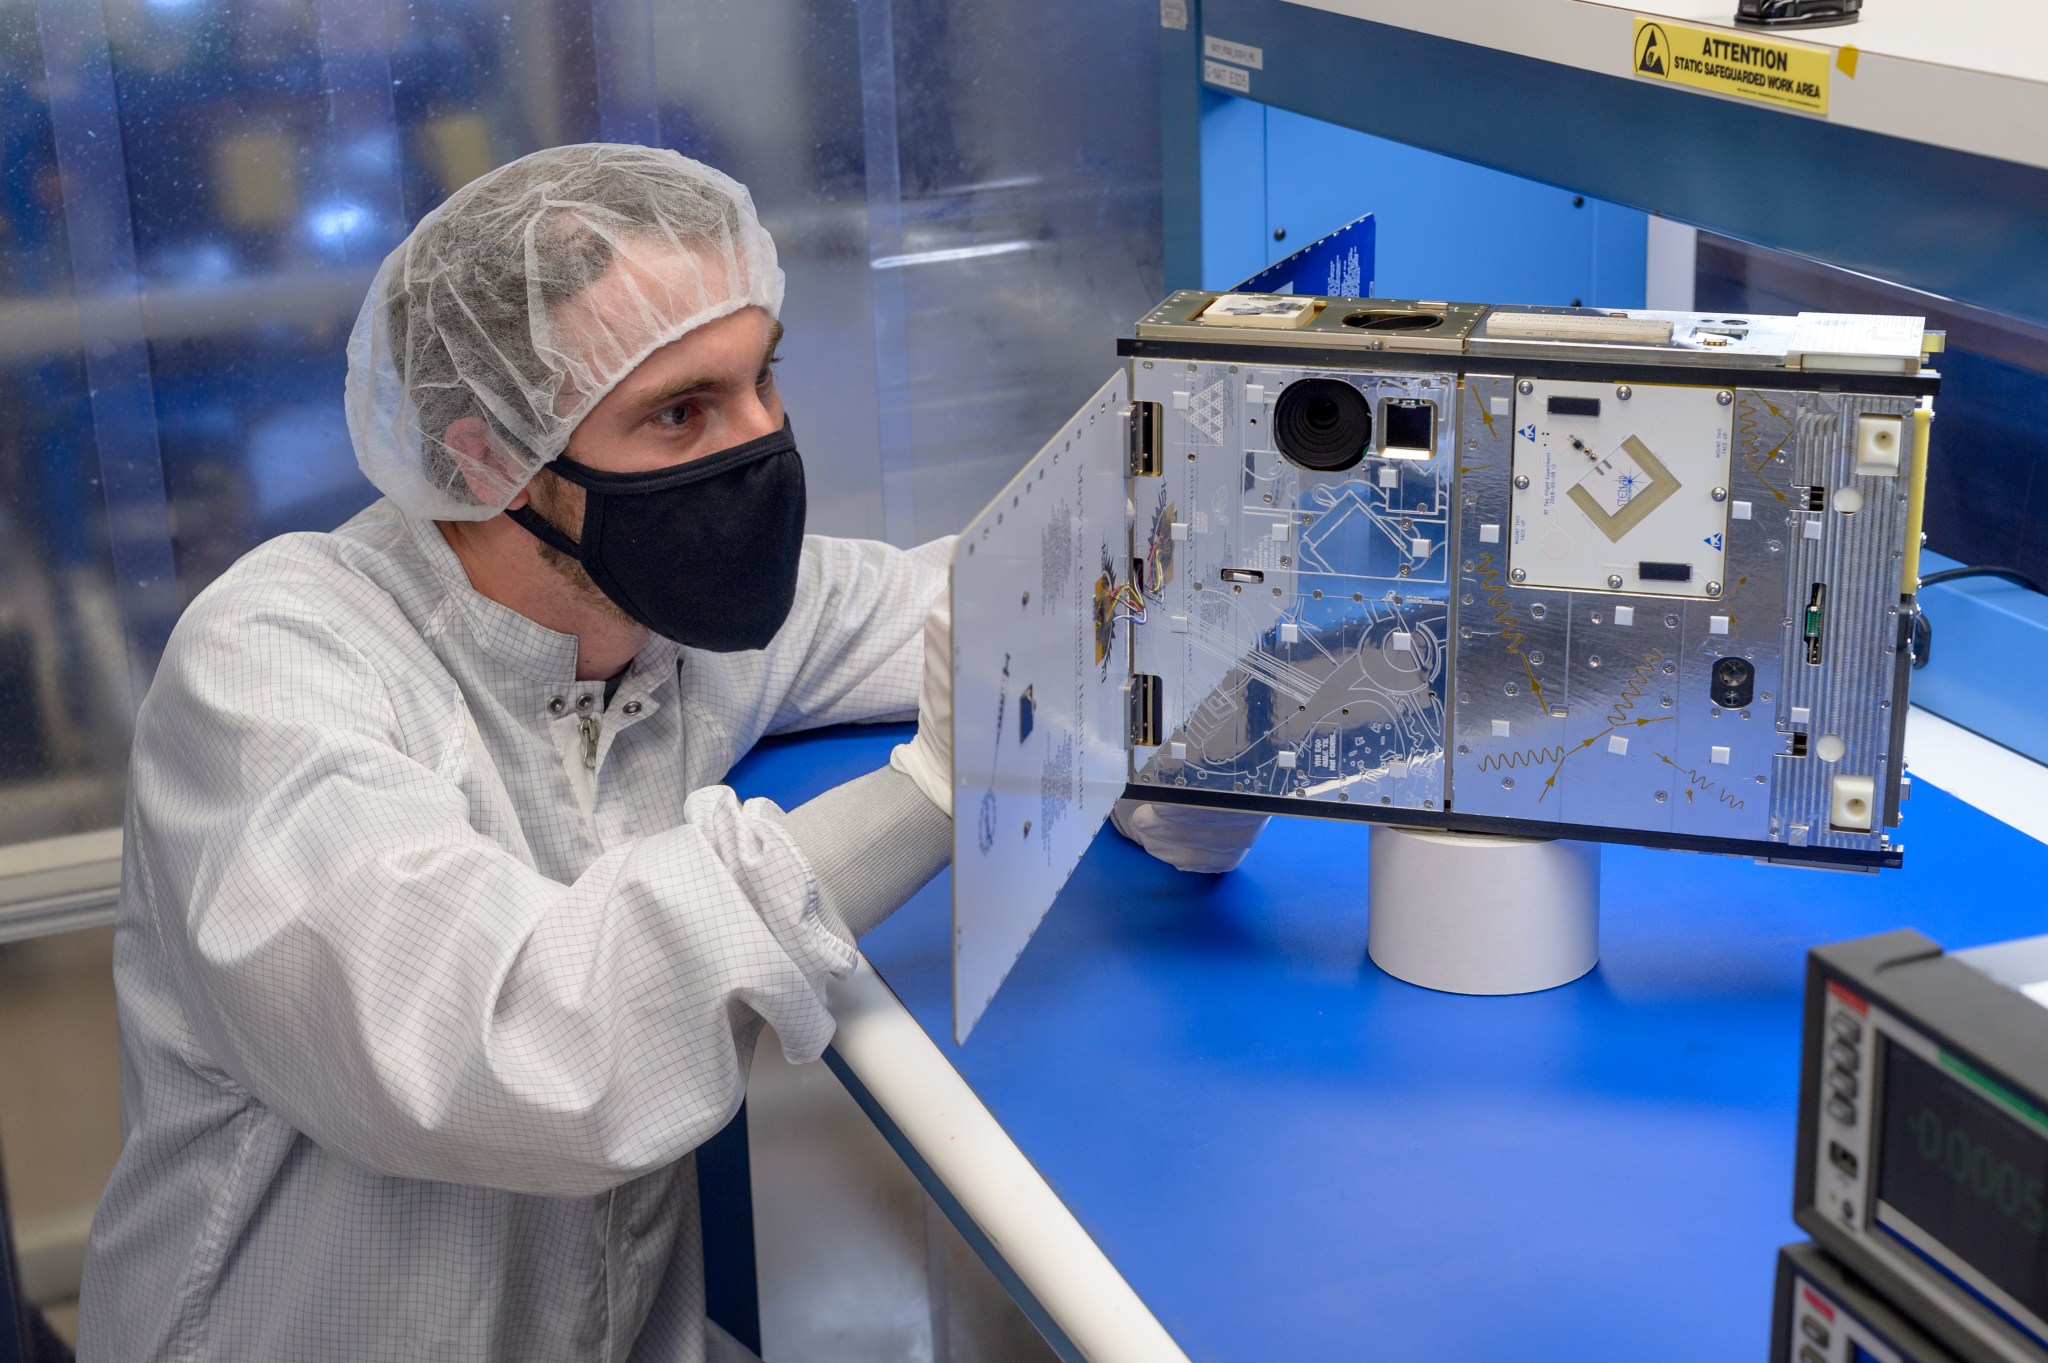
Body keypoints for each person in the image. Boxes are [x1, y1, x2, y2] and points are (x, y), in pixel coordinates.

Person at [74, 143, 1259, 1362]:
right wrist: (935, 793)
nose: (760, 448)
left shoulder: (674, 621)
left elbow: (987, 609)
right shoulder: (275, 666)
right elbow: (519, 1049)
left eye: (763, 380)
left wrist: (1199, 663)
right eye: (680, 411)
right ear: (489, 459)